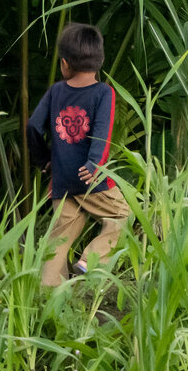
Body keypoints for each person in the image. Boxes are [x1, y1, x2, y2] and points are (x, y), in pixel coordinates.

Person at [26, 23, 130, 286]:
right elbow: (101, 133)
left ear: (64, 64)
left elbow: (32, 126)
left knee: (60, 237)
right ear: (99, 60)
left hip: (61, 178)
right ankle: (90, 258)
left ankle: (46, 295)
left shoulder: (55, 91)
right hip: (90, 176)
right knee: (123, 216)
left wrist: (43, 160)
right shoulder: (103, 93)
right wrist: (94, 164)